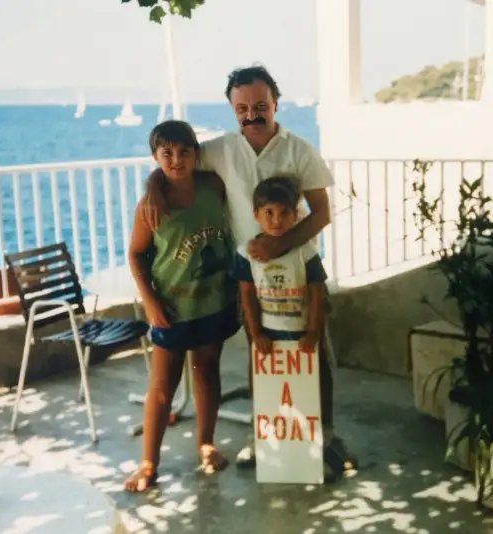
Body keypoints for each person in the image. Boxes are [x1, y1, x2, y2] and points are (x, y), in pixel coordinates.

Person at [145, 64, 356, 472]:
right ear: (233, 109)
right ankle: (267, 437)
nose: (252, 114)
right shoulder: (222, 149)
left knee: (315, 354)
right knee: (261, 352)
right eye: (242, 107)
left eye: (260, 105)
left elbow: (322, 212)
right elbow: (178, 162)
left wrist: (280, 242)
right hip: (251, 278)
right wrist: (154, 184)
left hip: (300, 268)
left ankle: (325, 435)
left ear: (275, 103)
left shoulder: (298, 150)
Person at [124, 120, 240, 492]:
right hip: (172, 310)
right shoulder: (151, 205)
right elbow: (136, 255)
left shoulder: (212, 186)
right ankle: (148, 463)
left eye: (184, 151)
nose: (177, 160)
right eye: (167, 154)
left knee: (207, 372)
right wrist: (150, 301)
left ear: (195, 153)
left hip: (214, 300)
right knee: (162, 386)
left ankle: (206, 443)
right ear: (155, 158)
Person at [230, 176, 345, 477]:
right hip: (270, 334)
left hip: (302, 333)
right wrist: (256, 334)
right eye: (268, 213)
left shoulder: (306, 252)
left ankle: (319, 447)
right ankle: (265, 442)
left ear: (296, 216)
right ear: (256, 215)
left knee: (310, 389)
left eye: (284, 213)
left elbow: (317, 294)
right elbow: (246, 296)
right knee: (270, 390)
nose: (277, 220)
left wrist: (313, 332)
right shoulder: (246, 254)